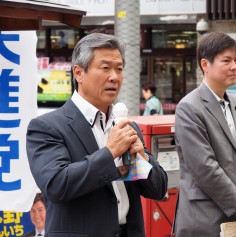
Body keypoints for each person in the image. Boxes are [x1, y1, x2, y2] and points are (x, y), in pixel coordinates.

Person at [26, 33, 168, 237]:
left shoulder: (126, 126)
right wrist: (110, 153)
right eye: (105, 68)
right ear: (78, 73)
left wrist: (143, 159)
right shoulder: (47, 127)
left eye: (119, 69)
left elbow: (158, 189)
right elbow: (56, 185)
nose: (114, 76)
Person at [173, 32, 236, 237]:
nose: (234, 66)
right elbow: (205, 167)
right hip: (204, 219)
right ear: (205, 64)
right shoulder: (189, 107)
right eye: (226, 61)